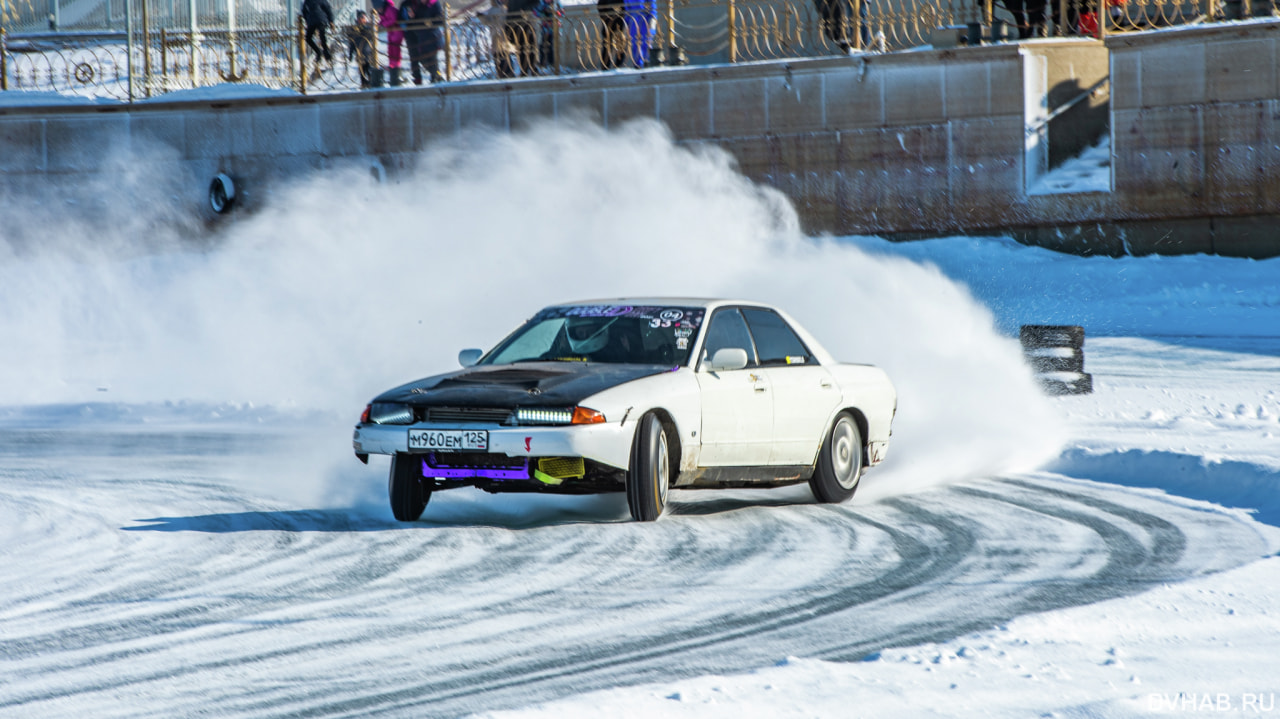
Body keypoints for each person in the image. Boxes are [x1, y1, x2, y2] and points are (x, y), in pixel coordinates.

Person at [401, 0, 445, 85]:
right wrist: (412, 17)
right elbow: (416, 23)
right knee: (423, 60)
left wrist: (430, 22)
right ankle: (437, 76)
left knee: (432, 61)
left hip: (433, 38)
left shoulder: (434, 3)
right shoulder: (419, 6)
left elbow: (440, 19)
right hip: (423, 39)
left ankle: (435, 78)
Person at [480, 0, 518, 78]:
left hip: (505, 35)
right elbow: (487, 22)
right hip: (496, 36)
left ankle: (508, 74)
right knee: (498, 56)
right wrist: (481, 17)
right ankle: (501, 74)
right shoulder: (493, 9)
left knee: (505, 56)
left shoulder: (507, 8)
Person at [300, 0, 335, 78]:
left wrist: (331, 21)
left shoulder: (314, 1)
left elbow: (328, 9)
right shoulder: (307, 2)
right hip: (313, 21)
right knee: (310, 38)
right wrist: (307, 21)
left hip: (319, 20)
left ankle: (324, 52)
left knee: (321, 36)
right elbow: (305, 12)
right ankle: (320, 52)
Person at [374, 0, 405, 86]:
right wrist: (379, 24)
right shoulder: (382, 12)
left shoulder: (390, 9)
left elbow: (393, 19)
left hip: (397, 30)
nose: (379, 10)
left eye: (379, 8)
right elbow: (384, 20)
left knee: (395, 48)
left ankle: (396, 66)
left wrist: (383, 24)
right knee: (390, 49)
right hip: (390, 31)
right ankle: (392, 65)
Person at [345, 10, 378, 87]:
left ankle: (371, 82)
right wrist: (350, 54)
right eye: (360, 18)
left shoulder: (369, 27)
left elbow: (373, 35)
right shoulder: (354, 29)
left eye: (363, 18)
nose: (361, 20)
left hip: (369, 53)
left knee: (369, 68)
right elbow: (352, 43)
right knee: (362, 70)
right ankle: (364, 83)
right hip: (360, 54)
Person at [623, 0, 654, 67]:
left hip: (646, 19)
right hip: (633, 21)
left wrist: (652, 19)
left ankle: (647, 62)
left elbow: (652, 5)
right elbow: (627, 9)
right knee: (635, 43)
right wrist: (627, 23)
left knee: (646, 42)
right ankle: (638, 64)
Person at [596, 0, 627, 69]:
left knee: (620, 45)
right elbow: (600, 7)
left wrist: (621, 16)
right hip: (608, 24)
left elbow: (625, 7)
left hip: (619, 23)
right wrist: (605, 18)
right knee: (607, 45)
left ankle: (619, 65)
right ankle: (605, 66)